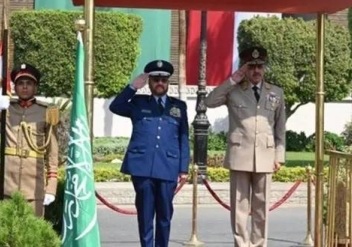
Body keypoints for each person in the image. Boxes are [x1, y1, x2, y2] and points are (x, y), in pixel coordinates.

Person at [205, 46, 286, 247]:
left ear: (265, 68)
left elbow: (280, 128)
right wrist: (233, 79)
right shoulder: (234, 90)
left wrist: (279, 155)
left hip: (266, 156)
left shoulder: (276, 92)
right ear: (245, 68)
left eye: (259, 66)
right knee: (239, 207)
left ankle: (259, 244)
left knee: (262, 207)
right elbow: (210, 101)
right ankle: (241, 244)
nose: (256, 71)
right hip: (240, 154)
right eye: (251, 67)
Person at [0, 63, 59, 217]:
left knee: (33, 233)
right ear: (15, 87)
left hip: (34, 184)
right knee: (7, 232)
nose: (24, 87)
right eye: (20, 83)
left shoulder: (46, 112)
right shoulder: (6, 108)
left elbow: (53, 154)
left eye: (29, 83)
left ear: (36, 87)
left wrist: (51, 187)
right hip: (8, 183)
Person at [109, 60, 190, 247]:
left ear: (168, 82)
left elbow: (183, 138)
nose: (159, 83)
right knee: (145, 216)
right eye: (155, 79)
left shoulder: (178, 107)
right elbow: (115, 106)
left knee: (165, 216)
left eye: (163, 79)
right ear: (149, 82)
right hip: (142, 167)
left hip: (168, 167)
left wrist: (183, 168)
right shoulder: (137, 103)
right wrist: (132, 87)